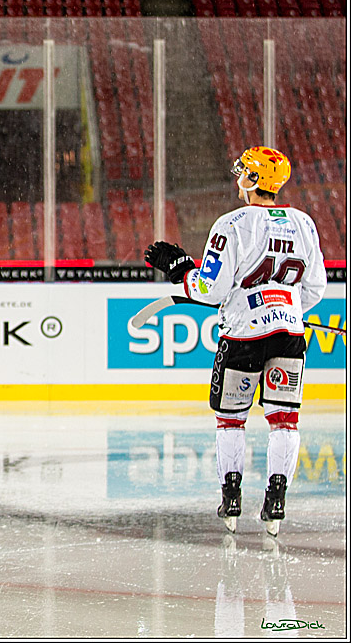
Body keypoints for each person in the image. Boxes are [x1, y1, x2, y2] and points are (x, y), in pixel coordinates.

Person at [144, 146, 326, 537]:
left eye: (244, 171)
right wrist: (287, 307)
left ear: (255, 180)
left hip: (243, 335)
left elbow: (210, 290)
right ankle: (277, 498)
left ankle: (231, 496)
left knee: (231, 420)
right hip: (290, 334)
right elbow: (315, 288)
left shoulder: (231, 224)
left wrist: (182, 270)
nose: (238, 175)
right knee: (284, 420)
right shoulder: (304, 223)